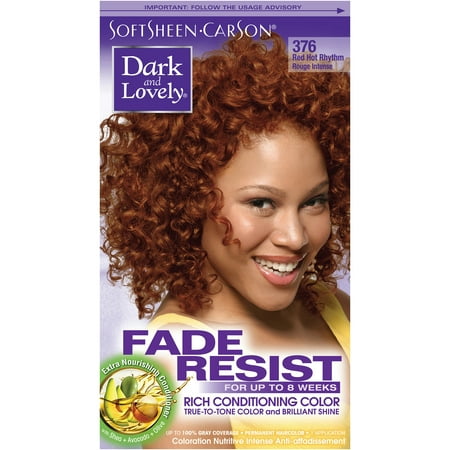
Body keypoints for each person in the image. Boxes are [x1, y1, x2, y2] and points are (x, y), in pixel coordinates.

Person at [101, 34, 350, 449]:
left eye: (314, 201)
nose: (295, 237)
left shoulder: (331, 306)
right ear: (188, 200)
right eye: (261, 203)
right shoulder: (179, 376)